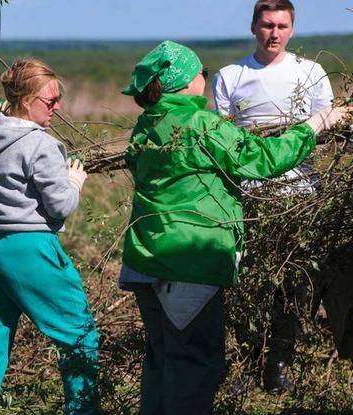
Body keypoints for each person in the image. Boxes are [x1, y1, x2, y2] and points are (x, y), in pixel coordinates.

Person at [119, 40, 350, 414]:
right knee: (194, 365)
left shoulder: (147, 126)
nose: (205, 79)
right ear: (186, 81)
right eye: (202, 73)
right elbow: (261, 160)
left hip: (145, 262)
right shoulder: (198, 123)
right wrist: (315, 125)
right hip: (188, 263)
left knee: (161, 361)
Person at [0, 57, 99, 415]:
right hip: (29, 250)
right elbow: (60, 205)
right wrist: (73, 182)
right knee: (79, 336)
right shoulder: (40, 144)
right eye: (50, 101)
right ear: (27, 100)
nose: (57, 107)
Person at [212, 0, 334, 393]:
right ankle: (247, 366)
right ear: (253, 27)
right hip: (250, 199)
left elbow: (329, 124)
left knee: (295, 285)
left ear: (292, 29)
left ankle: (278, 367)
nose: (274, 33)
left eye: (282, 25)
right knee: (250, 284)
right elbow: (223, 140)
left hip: (301, 196)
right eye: (267, 25)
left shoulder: (310, 72)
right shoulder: (232, 75)